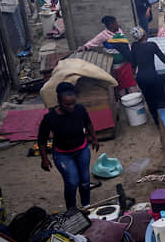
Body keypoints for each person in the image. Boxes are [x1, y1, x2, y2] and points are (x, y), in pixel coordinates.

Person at [38, 82, 99, 210]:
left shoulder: (80, 109)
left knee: (85, 180)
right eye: (67, 104)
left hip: (82, 150)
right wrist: (44, 159)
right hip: (62, 154)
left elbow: (88, 123)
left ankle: (86, 205)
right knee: (72, 182)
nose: (71, 107)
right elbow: (42, 140)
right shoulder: (50, 118)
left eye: (73, 103)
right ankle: (71, 210)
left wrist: (94, 139)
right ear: (59, 102)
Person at [130, 26, 165, 125]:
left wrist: (133, 74)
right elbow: (162, 58)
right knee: (160, 98)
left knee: (149, 99)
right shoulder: (152, 45)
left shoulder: (134, 46)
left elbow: (133, 64)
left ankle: (156, 121)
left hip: (141, 78)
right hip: (152, 76)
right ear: (143, 34)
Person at [82, 16, 138, 96]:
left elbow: (126, 45)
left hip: (126, 62)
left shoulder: (119, 31)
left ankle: (134, 98)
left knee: (131, 84)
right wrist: (85, 47)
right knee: (121, 85)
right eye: (115, 23)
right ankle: (124, 100)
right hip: (116, 66)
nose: (117, 24)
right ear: (110, 25)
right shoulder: (103, 35)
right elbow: (93, 42)